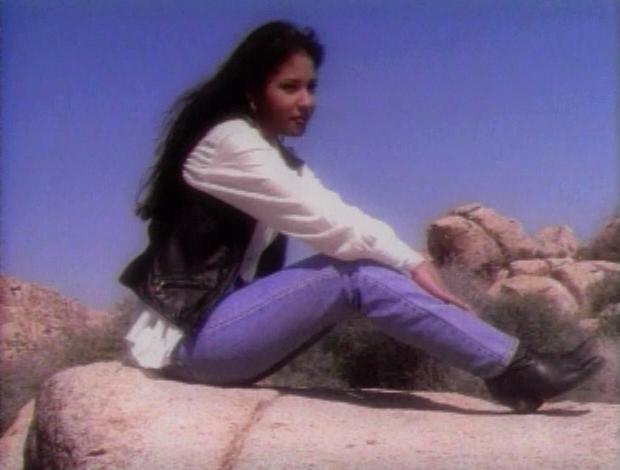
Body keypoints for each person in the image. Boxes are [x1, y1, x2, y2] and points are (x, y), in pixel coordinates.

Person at [120, 20, 603, 413]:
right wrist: (415, 263)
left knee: (363, 266)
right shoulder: (228, 142)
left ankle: (511, 365)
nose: (307, 101)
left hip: (222, 335)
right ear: (252, 91)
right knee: (351, 274)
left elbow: (337, 209)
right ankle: (514, 370)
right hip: (188, 346)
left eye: (311, 87)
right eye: (289, 87)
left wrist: (407, 265)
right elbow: (326, 222)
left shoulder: (275, 157)